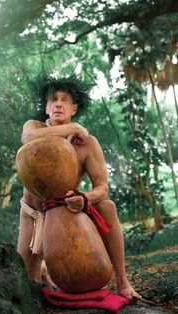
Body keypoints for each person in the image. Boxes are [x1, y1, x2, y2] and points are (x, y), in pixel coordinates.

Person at [17, 76, 142, 300]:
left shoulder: (87, 143)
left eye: (65, 100)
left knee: (107, 206)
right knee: (29, 285)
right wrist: (71, 128)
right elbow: (27, 138)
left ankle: (123, 282)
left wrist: (85, 198)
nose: (58, 104)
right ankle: (42, 268)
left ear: (73, 107)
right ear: (46, 108)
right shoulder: (33, 127)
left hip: (67, 213)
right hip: (33, 215)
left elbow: (102, 187)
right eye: (53, 100)